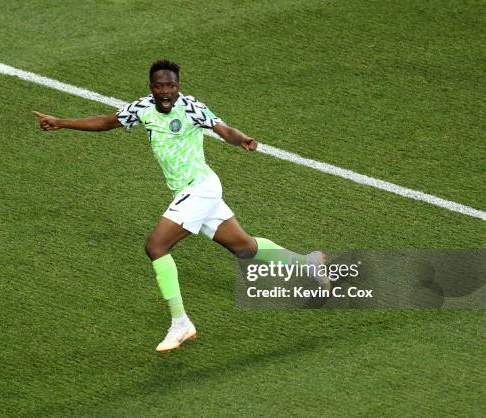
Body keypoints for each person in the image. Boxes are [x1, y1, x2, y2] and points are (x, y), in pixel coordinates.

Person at [33, 59, 329, 353]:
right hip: (192, 191)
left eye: (171, 85)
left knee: (156, 246)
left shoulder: (191, 107)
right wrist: (61, 122)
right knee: (245, 249)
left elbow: (222, 128)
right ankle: (307, 264)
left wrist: (241, 140)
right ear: (151, 87)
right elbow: (105, 122)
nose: (165, 91)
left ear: (178, 87)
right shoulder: (142, 108)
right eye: (159, 85)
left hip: (200, 188)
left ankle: (181, 323)